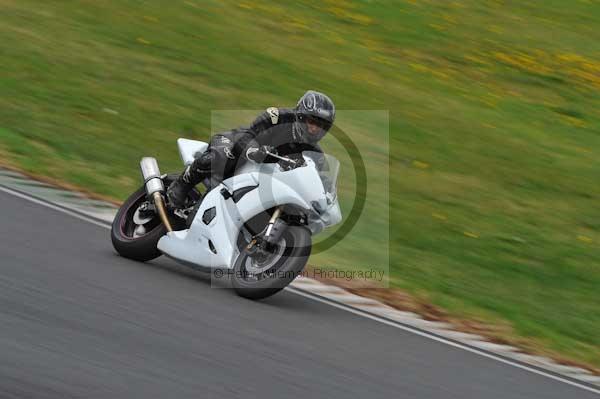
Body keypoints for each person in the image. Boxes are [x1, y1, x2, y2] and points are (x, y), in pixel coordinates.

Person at [166, 90, 336, 208]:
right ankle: (181, 185)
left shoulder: (314, 154)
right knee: (222, 156)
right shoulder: (278, 117)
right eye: (312, 122)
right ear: (301, 115)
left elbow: (322, 180)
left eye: (321, 126)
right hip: (234, 143)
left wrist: (328, 195)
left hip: (260, 180)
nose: (315, 129)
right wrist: (254, 150)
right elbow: (249, 135)